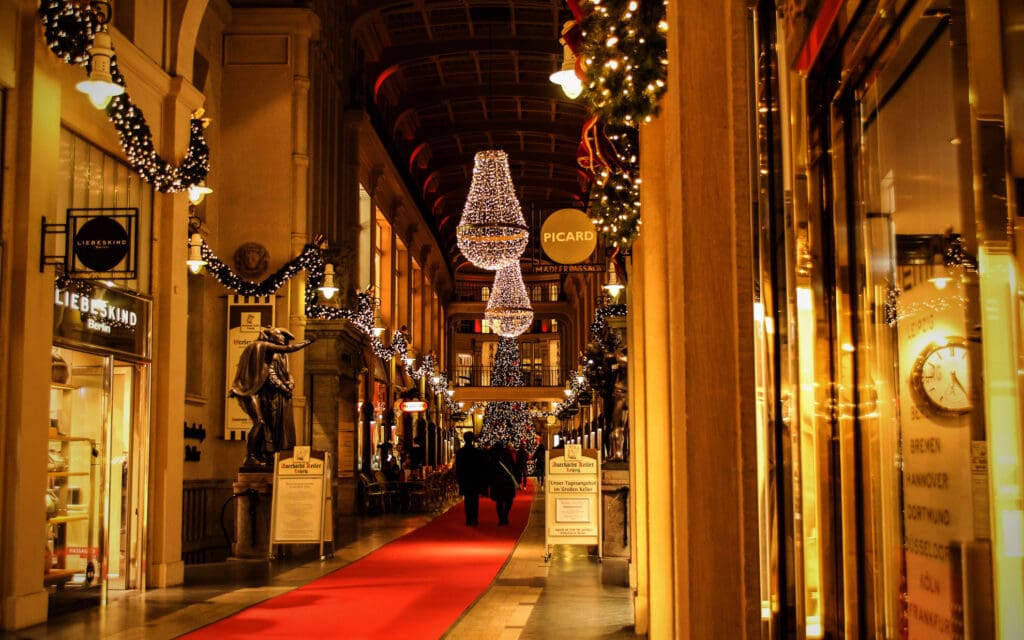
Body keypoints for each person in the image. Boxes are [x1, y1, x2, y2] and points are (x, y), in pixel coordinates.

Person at [229, 326, 315, 468]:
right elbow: (270, 372)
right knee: (261, 422)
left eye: (282, 336)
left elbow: (286, 372)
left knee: (268, 424)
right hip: (251, 392)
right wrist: (308, 341)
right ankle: (252, 456)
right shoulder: (262, 347)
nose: (281, 338)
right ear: (270, 337)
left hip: (271, 393)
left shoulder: (276, 353)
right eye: (278, 335)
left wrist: (290, 383)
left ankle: (261, 455)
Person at [454, 432, 488, 526]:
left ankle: (468, 519)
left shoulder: (460, 452)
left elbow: (458, 468)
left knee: (467, 500)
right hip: (475, 479)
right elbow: (481, 467)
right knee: (475, 500)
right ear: (472, 439)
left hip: (465, 479)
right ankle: (475, 518)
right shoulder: (477, 452)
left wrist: (459, 480)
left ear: (464, 439)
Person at [490, 441, 518, 526]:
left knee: (499, 501)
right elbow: (514, 467)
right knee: (508, 499)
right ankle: (505, 516)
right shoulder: (507, 455)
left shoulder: (493, 456)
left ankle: (501, 518)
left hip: (497, 481)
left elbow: (490, 470)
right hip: (507, 481)